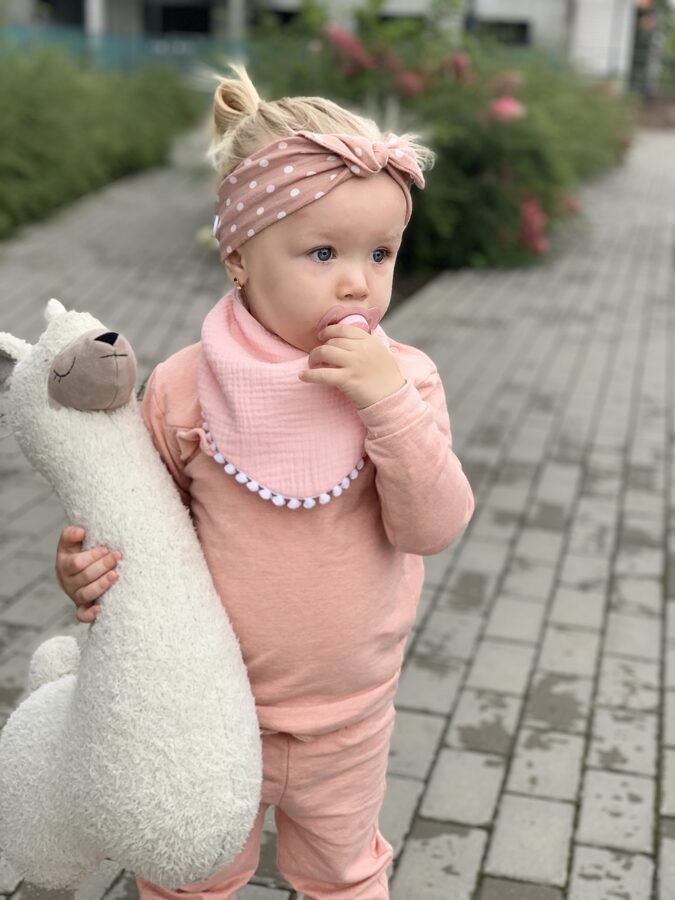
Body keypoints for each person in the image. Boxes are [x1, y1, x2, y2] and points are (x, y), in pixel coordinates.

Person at [54, 65, 474, 900]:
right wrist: (85, 570)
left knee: (346, 876)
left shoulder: (405, 381)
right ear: (239, 259)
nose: (357, 281)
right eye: (322, 253)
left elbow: (431, 526)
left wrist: (386, 405)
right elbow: (138, 525)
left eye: (380, 253)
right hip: (205, 706)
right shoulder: (185, 387)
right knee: (188, 876)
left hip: (349, 714)